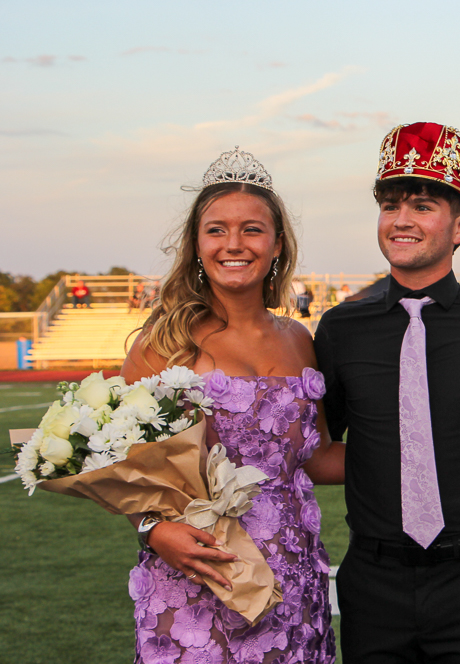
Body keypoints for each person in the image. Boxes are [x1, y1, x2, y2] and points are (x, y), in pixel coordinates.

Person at [314, 122, 460, 663]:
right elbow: (317, 448)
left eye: (422, 205)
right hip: (372, 580)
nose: (402, 220)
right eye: (390, 205)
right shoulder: (340, 329)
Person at [120, 147, 344, 663]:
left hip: (293, 572)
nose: (234, 244)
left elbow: (317, 458)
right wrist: (154, 532)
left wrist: (425, 441)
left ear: (277, 243)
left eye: (252, 229)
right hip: (201, 572)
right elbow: (124, 468)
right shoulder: (163, 342)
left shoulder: (301, 340)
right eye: (216, 229)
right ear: (196, 244)